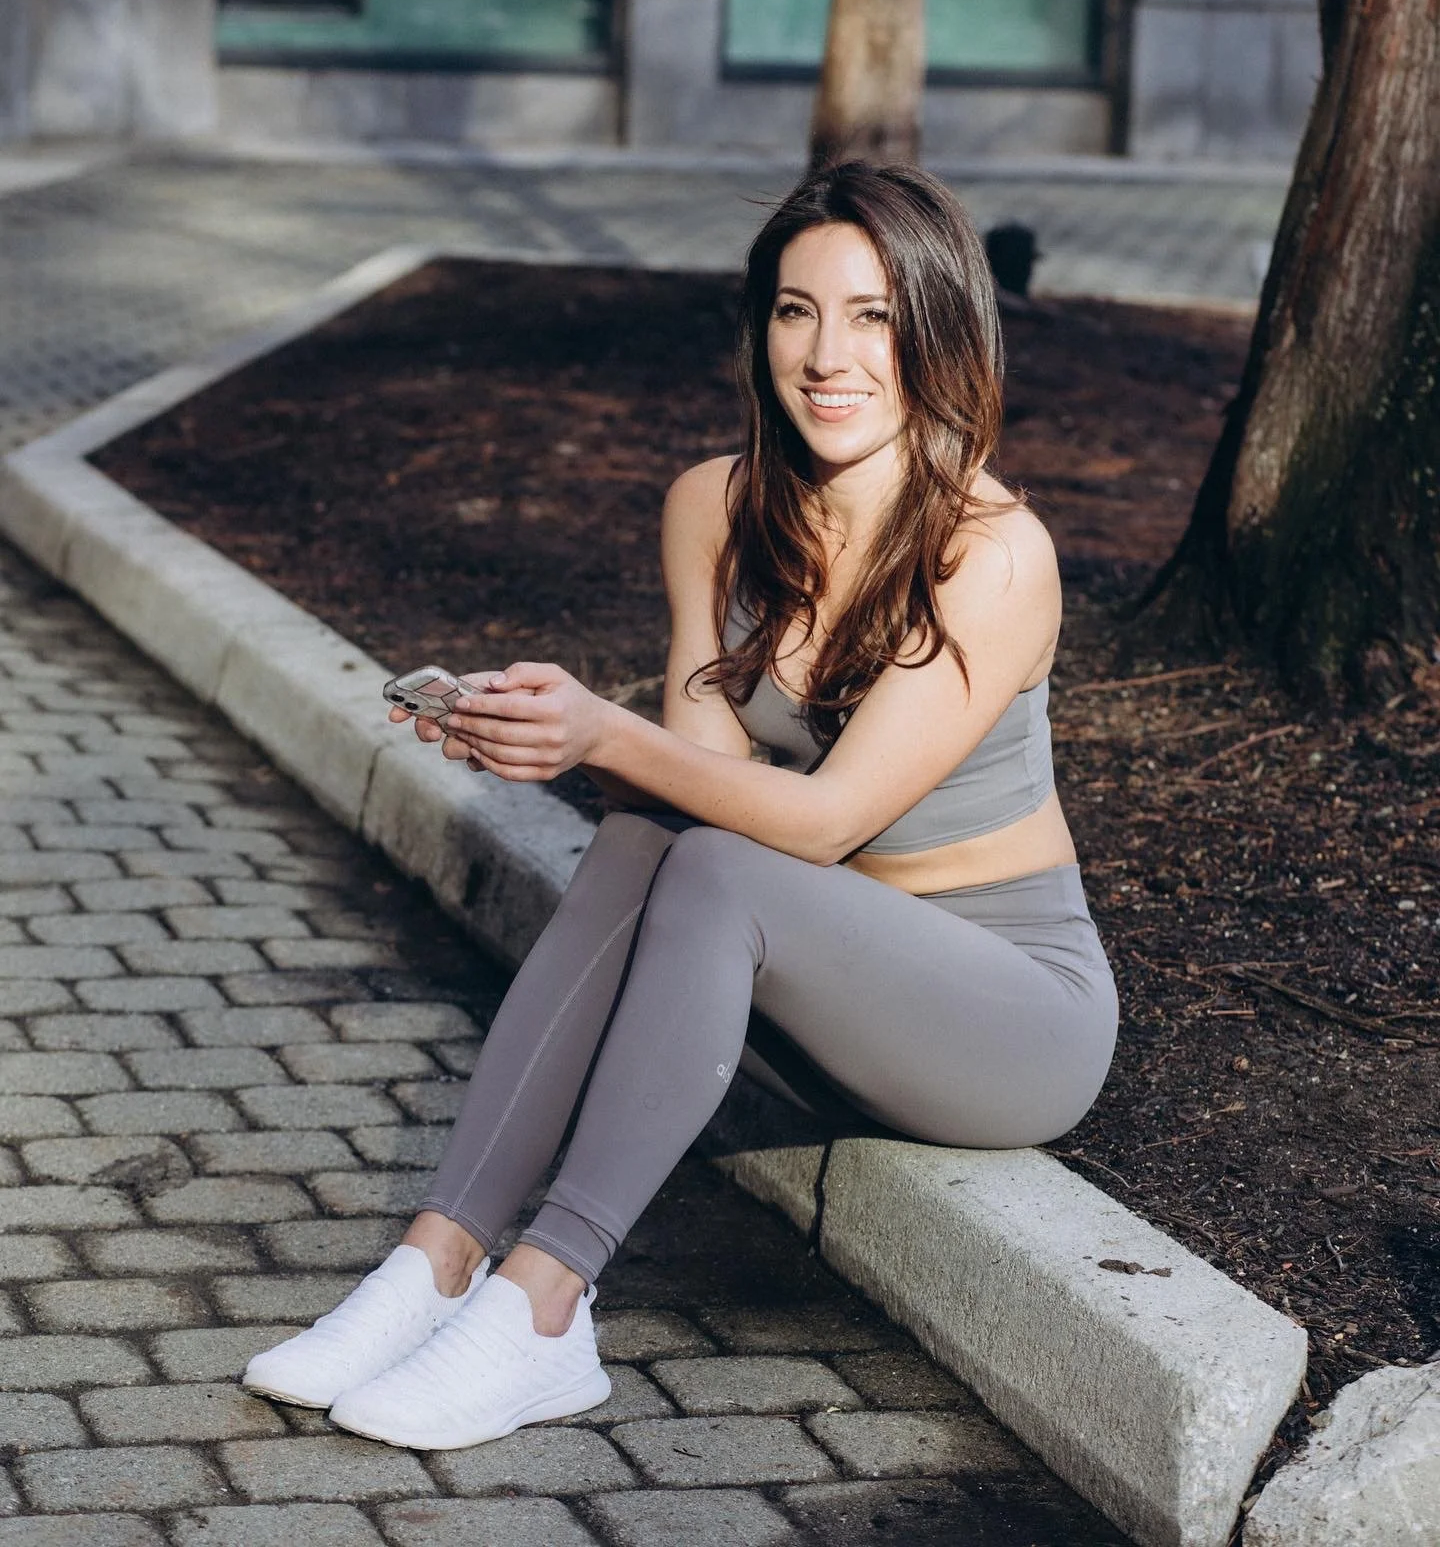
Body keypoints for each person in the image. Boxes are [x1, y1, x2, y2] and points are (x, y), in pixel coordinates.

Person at [241, 160, 1119, 1450]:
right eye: (794, 310)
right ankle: (432, 1264)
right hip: (809, 1001)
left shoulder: (990, 554)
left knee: (709, 859)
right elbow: (705, 784)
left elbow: (818, 827)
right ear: (758, 326)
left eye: (872, 315)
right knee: (663, 829)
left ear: (940, 331)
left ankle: (545, 1309)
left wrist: (603, 732)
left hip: (1005, 1014)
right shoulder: (712, 505)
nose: (827, 354)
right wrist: (557, 740)